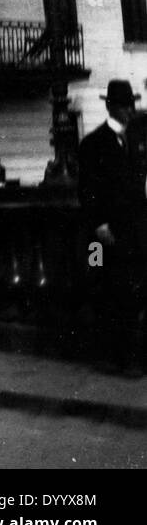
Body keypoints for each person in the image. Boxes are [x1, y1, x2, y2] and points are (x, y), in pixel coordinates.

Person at [77, 79, 147, 376]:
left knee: (135, 293)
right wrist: (99, 224)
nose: (128, 111)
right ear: (110, 107)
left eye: (130, 105)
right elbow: (88, 189)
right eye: (122, 106)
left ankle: (132, 357)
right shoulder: (93, 144)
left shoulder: (137, 141)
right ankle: (115, 358)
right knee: (111, 292)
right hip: (109, 232)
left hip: (137, 228)